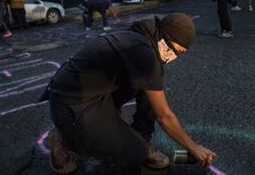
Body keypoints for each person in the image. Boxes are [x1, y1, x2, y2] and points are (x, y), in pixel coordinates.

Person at [41, 13, 217, 174]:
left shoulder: (145, 36)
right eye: (176, 51)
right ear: (165, 38)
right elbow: (164, 115)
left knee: (148, 86)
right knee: (133, 153)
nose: (175, 58)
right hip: (70, 104)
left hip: (95, 95)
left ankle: (139, 142)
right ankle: (65, 140)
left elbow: (149, 102)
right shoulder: (143, 52)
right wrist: (193, 147)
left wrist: (142, 138)